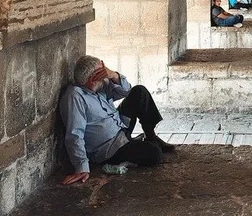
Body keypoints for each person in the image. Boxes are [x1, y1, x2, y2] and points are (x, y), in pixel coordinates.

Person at [59, 55, 173, 185]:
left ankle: (151, 136)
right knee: (154, 153)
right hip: (110, 149)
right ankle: (142, 145)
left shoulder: (99, 87)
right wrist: (81, 167)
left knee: (139, 92)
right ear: (92, 79)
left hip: (120, 128)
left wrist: (113, 75)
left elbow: (125, 91)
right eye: (102, 74)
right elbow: (75, 134)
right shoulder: (75, 97)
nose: (105, 77)